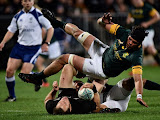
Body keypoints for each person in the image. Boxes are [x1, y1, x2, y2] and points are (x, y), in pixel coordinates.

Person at [18, 8, 149, 107]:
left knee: (64, 58)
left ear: (139, 43)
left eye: (134, 42)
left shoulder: (136, 56)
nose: (130, 42)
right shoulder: (125, 33)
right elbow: (101, 23)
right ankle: (56, 23)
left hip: (102, 69)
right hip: (103, 51)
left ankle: (39, 77)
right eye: (130, 39)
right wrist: (102, 21)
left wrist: (139, 95)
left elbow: (137, 79)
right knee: (78, 32)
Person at [46, 64, 160, 114]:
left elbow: (103, 78)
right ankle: (110, 110)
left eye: (77, 82)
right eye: (75, 84)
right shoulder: (79, 103)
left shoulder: (87, 85)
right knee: (99, 108)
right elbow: (96, 106)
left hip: (112, 93)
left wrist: (53, 91)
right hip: (113, 102)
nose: (62, 100)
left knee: (130, 81)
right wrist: (95, 90)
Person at [0, 0, 54, 101]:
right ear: (22, 2)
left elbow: (50, 28)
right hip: (19, 46)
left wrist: (46, 43)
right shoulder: (17, 16)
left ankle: (38, 78)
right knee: (9, 71)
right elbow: (11, 31)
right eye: (25, 0)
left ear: (33, 2)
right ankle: (12, 96)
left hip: (33, 48)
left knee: (25, 73)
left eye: (29, 0)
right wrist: (3, 42)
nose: (27, 3)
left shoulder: (38, 14)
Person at [126, 0, 160, 77]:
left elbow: (157, 17)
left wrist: (147, 23)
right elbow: (128, 19)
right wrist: (130, 20)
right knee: (151, 50)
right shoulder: (132, 8)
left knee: (141, 47)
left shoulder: (147, 7)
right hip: (139, 32)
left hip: (148, 31)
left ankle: (137, 70)